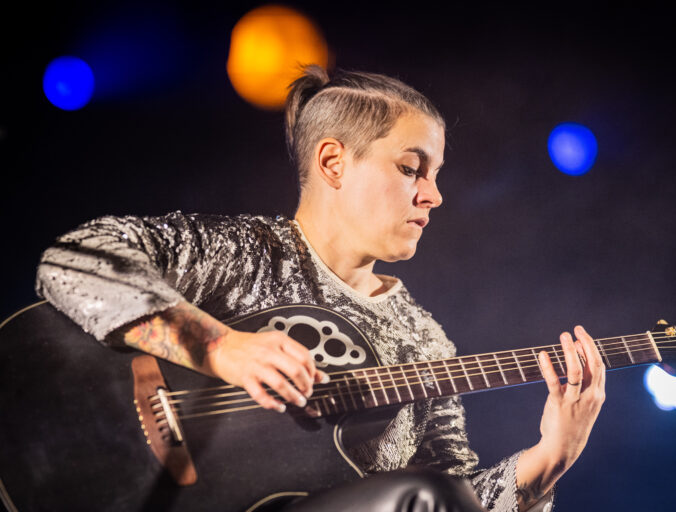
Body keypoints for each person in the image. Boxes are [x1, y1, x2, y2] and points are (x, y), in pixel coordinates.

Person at [35, 65, 605, 511]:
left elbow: (453, 500)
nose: (434, 195)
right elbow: (73, 260)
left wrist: (548, 460)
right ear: (333, 162)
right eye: (412, 168)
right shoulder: (242, 252)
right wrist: (220, 346)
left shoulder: (425, 342)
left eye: (435, 176)